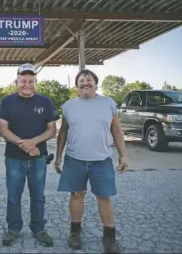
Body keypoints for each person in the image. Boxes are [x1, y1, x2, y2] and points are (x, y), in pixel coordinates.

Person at [55, 69, 129, 253]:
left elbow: (117, 131)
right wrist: (58, 156)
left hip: (101, 160)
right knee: (76, 195)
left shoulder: (108, 103)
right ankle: (75, 232)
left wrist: (123, 154)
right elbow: (63, 131)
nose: (85, 82)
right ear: (77, 85)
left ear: (96, 84)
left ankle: (110, 237)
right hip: (74, 159)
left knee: (104, 197)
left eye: (89, 80)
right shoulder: (68, 106)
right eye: (82, 80)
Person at [0, 63, 58, 247]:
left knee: (38, 196)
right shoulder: (7, 101)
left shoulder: (45, 101)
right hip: (14, 158)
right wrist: (25, 145)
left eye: (31, 81)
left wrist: (34, 142)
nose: (27, 84)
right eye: (23, 80)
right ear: (17, 81)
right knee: (14, 196)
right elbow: (2, 129)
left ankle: (38, 228)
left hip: (39, 158)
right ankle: (13, 228)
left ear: (35, 82)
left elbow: (52, 129)